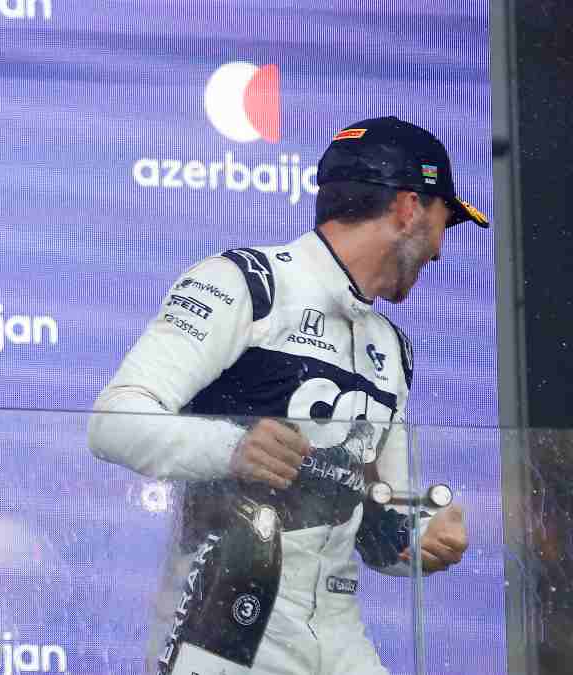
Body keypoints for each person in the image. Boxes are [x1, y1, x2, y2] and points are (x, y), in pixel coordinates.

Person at [88, 116, 482, 675]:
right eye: (446, 222)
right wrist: (230, 448)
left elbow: (378, 513)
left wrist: (417, 539)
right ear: (408, 208)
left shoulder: (393, 348)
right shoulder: (246, 282)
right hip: (225, 631)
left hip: (340, 636)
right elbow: (111, 421)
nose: (441, 251)